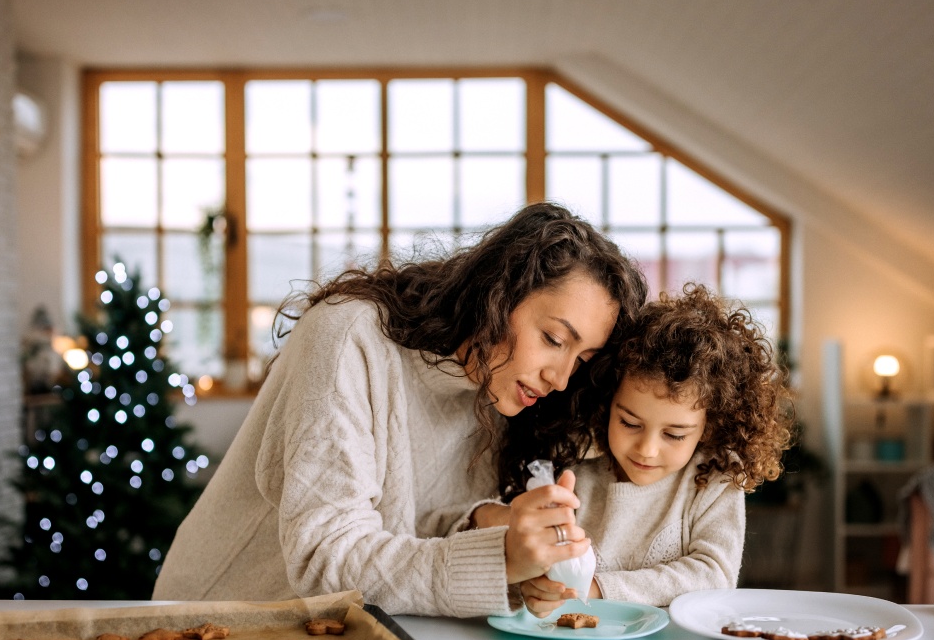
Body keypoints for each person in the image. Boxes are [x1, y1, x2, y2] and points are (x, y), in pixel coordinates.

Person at [152, 202, 648, 617]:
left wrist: (503, 532)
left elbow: (421, 523)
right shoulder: (348, 336)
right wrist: (498, 560)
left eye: (580, 358)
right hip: (214, 620)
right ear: (498, 293)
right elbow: (326, 557)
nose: (559, 378)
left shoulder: (499, 387)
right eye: (553, 339)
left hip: (344, 635)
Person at [515, 284, 793, 616]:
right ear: (607, 404)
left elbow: (715, 574)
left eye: (675, 435)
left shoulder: (716, 478)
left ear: (710, 427)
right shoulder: (574, 466)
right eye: (630, 423)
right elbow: (533, 557)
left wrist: (599, 589)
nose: (646, 450)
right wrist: (533, 584)